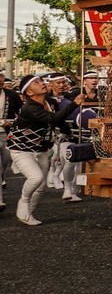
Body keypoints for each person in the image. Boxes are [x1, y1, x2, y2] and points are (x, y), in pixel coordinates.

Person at [7, 75, 85, 225]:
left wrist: (68, 134)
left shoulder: (51, 102)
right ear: (29, 93)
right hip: (21, 149)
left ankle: (28, 213)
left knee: (41, 186)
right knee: (36, 178)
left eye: (41, 81)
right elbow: (52, 119)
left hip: (41, 149)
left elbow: (59, 120)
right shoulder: (29, 108)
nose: (42, 83)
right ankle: (23, 202)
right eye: (36, 83)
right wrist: (74, 104)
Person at [0, 70, 22, 212]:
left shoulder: (12, 95)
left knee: (4, 165)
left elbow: (22, 115)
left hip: (7, 135)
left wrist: (12, 122)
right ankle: (0, 199)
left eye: (0, 76)